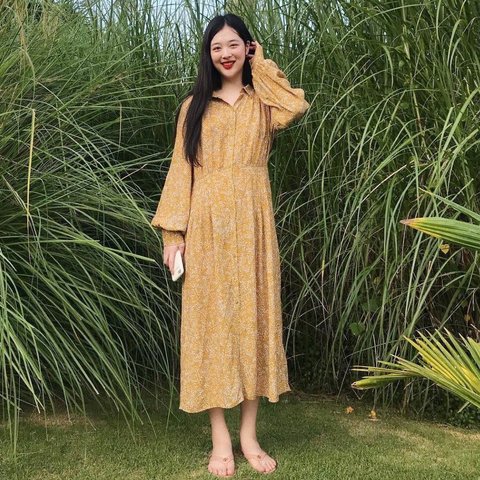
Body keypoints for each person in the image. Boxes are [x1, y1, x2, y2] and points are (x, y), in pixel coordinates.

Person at [151, 12, 309, 478]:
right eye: (217, 46)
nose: (225, 53)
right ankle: (220, 438)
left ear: (247, 47)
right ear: (208, 53)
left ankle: (249, 436)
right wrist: (173, 233)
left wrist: (262, 64)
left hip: (255, 226)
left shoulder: (264, 104)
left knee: (254, 320)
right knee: (212, 326)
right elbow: (181, 170)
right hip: (207, 226)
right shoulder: (194, 107)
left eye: (234, 45)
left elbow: (296, 105)